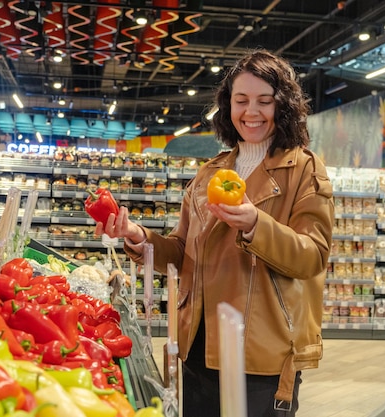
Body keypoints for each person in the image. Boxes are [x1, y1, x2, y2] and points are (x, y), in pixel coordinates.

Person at [96, 49, 334, 417]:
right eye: (241, 100)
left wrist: (256, 224)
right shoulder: (211, 172)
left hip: (261, 354)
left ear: (283, 105)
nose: (251, 112)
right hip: (198, 346)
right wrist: (137, 235)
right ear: (228, 106)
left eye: (264, 101)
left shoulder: (304, 169)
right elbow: (181, 251)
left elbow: (312, 256)